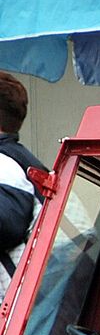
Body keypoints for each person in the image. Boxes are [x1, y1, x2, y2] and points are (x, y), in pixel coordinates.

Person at [0, 72, 44, 296]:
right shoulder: (23, 160)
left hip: (14, 309)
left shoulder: (5, 164)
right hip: (37, 306)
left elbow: (7, 225)